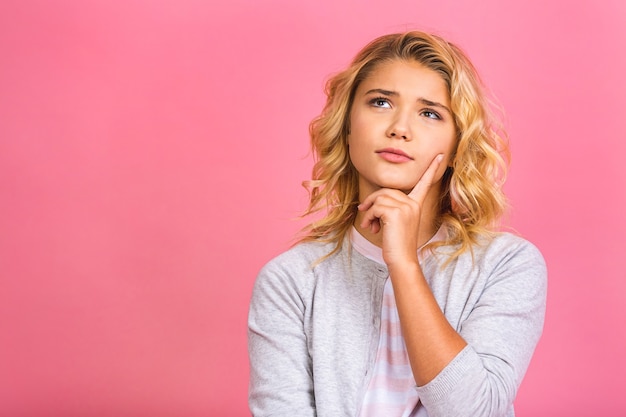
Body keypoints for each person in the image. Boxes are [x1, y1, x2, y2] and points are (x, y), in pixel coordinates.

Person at [247, 30, 547, 417]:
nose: (400, 128)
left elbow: (476, 412)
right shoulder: (290, 281)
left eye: (430, 113)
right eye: (381, 102)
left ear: (456, 146)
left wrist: (404, 265)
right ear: (347, 124)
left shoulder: (506, 265)